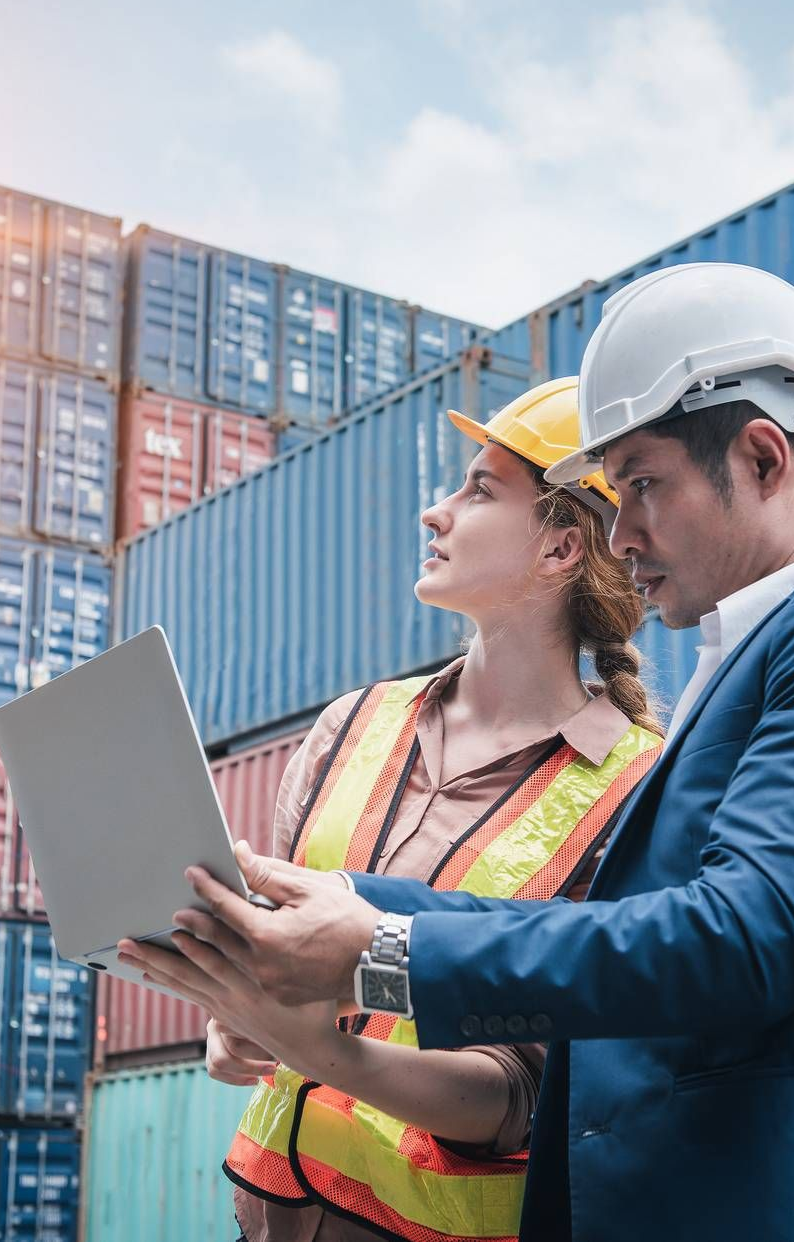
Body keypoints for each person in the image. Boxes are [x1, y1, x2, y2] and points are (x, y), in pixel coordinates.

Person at [140, 263, 794, 1242]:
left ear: (763, 458)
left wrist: (383, 952)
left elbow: (747, 940)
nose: (621, 529)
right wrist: (355, 917)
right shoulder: (756, 657)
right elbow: (630, 925)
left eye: (640, 484)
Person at [119, 377, 664, 1242]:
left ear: (563, 548)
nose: (435, 513)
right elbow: (268, 979)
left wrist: (318, 1049)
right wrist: (233, 1031)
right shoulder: (352, 725)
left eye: (480, 490)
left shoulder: (633, 789)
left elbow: (525, 1095)